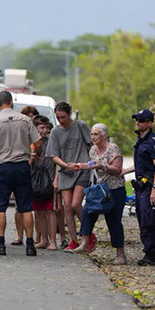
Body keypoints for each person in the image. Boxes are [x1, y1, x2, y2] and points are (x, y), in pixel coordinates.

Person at [0, 90, 42, 256]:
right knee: (26, 207)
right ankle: (30, 245)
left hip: (3, 168)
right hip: (22, 166)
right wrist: (36, 156)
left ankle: (0, 244)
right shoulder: (25, 120)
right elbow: (37, 143)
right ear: (12, 103)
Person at [71, 123, 128, 264]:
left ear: (103, 136)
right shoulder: (93, 150)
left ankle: (120, 254)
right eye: (91, 134)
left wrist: (103, 166)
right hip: (98, 190)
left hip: (114, 190)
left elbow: (117, 169)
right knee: (87, 212)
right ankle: (84, 243)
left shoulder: (112, 148)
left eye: (95, 134)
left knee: (113, 220)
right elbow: (91, 165)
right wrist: (78, 166)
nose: (92, 137)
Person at [121, 108, 155, 265]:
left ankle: (151, 252)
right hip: (141, 185)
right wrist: (124, 171)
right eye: (136, 120)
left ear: (149, 123)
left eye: (140, 120)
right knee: (142, 218)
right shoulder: (140, 140)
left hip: (150, 185)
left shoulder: (154, 142)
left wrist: (154, 189)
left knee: (148, 219)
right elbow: (140, 164)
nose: (137, 122)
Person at [46, 102, 91, 252]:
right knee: (66, 207)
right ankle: (73, 240)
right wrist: (65, 166)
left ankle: (87, 233)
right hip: (66, 171)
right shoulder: (55, 132)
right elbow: (53, 155)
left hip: (81, 168)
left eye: (63, 117)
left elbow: (91, 144)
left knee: (75, 204)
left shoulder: (80, 126)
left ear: (69, 114)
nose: (60, 120)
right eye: (58, 117)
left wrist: (89, 164)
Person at [12, 105, 41, 245]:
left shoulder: (38, 131)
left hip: (38, 173)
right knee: (19, 207)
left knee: (34, 207)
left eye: (33, 116)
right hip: (24, 169)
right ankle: (20, 236)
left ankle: (36, 237)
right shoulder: (20, 129)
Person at [31, 115, 57, 250]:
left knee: (49, 210)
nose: (45, 130)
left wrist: (56, 179)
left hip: (49, 179)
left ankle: (53, 241)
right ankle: (43, 239)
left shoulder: (51, 142)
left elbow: (56, 160)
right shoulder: (32, 142)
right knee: (39, 211)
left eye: (47, 127)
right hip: (35, 180)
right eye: (42, 127)